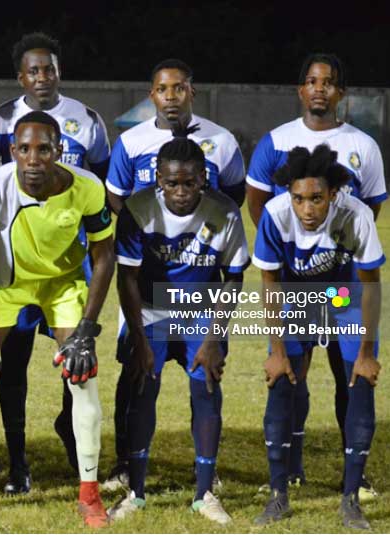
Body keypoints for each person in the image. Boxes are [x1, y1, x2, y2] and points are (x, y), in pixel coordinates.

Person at [0, 111, 115, 527]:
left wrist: (87, 331)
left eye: (43, 149)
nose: (34, 158)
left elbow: (104, 254)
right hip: (7, 284)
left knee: (83, 371)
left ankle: (89, 494)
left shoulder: (88, 188)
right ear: (12, 151)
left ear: (59, 150)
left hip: (62, 284)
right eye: (24, 149)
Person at [246, 53, 386, 499]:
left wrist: (330, 247)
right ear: (300, 90)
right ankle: (292, 464)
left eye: (328, 82)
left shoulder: (363, 145)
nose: (319, 88)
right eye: (311, 80)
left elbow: (371, 207)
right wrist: (293, 251)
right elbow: (258, 202)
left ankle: (354, 473)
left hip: (341, 282)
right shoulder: (276, 141)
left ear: (339, 93)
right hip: (294, 281)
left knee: (350, 369)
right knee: (293, 370)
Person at [103, 58, 244, 491]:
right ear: (153, 95)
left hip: (198, 286)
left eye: (179, 88)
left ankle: (206, 469)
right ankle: (127, 463)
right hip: (147, 287)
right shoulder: (132, 141)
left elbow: (231, 195)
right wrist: (150, 237)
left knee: (204, 379)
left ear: (191, 92)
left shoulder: (221, 141)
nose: (171, 97)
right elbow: (117, 199)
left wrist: (193, 230)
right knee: (136, 374)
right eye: (163, 89)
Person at [0, 31, 111, 493]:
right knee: (12, 364)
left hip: (69, 266)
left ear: (60, 71)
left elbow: (99, 187)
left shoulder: (87, 119)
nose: (42, 77)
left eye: (49, 68)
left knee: (73, 358)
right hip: (16, 265)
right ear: (21, 77)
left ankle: (74, 440)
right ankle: (19, 462)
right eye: (33, 70)